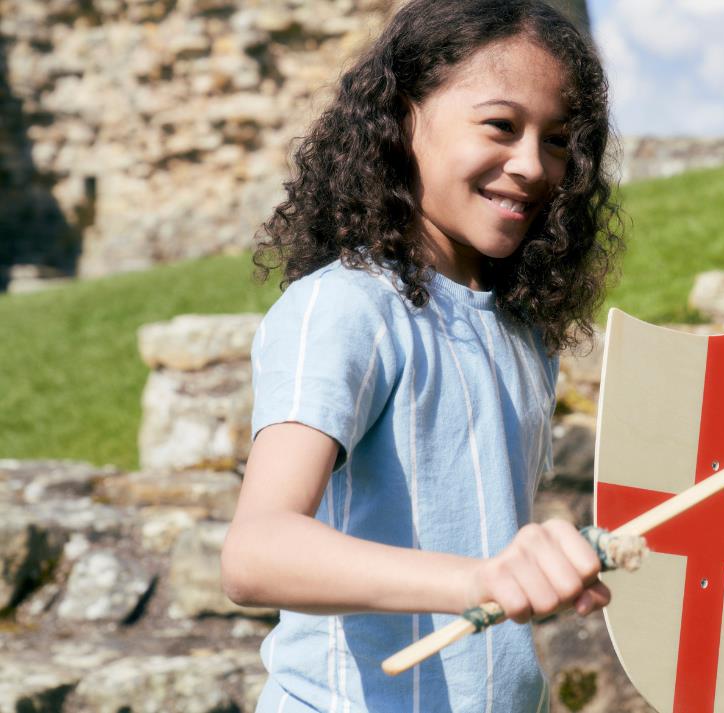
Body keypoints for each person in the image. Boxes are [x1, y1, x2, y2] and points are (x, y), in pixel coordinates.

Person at [219, 1, 623, 710]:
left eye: (557, 140)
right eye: (500, 125)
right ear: (404, 117)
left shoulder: (521, 329)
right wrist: (478, 580)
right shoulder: (347, 306)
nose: (532, 165)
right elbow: (255, 551)